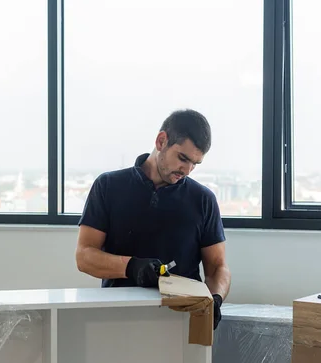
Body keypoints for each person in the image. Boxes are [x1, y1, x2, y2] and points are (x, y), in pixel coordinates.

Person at [75, 109, 231, 329]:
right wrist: (131, 267)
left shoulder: (203, 199)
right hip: (116, 322)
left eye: (195, 164)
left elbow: (217, 268)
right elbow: (84, 256)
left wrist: (215, 298)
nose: (187, 170)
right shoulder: (108, 186)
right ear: (161, 141)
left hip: (179, 325)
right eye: (183, 158)